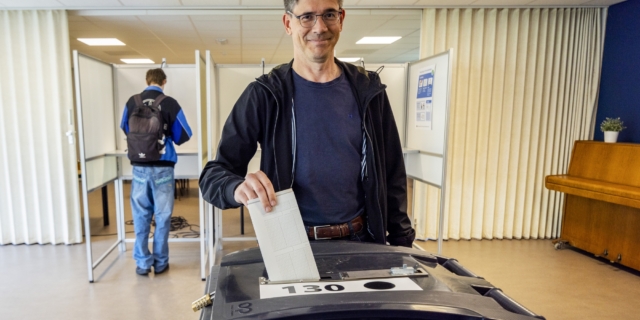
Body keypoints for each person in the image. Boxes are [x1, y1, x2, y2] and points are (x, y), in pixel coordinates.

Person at [199, 0, 415, 247]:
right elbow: (212, 176)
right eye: (307, 17)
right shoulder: (266, 94)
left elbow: (393, 173)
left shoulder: (368, 89)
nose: (319, 27)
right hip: (290, 243)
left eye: (329, 14)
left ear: (341, 18)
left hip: (362, 239)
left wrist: (402, 240)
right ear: (287, 23)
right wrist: (236, 187)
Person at [120, 68, 192, 275]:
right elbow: (184, 135)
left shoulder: (132, 101)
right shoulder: (169, 103)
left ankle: (142, 263)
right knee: (162, 217)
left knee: (141, 215)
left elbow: (125, 127)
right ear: (164, 81)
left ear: (146, 80)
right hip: (163, 167)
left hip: (139, 168)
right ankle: (160, 262)